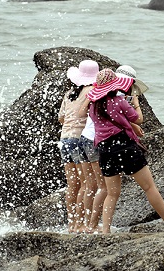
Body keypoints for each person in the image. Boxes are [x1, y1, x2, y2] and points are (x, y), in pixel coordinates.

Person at [83, 68, 164, 234]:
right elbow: (138, 118)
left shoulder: (93, 106)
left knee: (112, 194)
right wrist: (136, 103)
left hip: (104, 150)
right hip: (124, 147)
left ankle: (106, 231)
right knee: (149, 187)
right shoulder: (119, 101)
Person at [59, 59, 99, 232]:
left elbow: (61, 118)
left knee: (72, 185)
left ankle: (71, 224)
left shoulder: (69, 93)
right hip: (79, 140)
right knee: (87, 184)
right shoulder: (92, 91)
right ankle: (81, 223)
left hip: (65, 139)